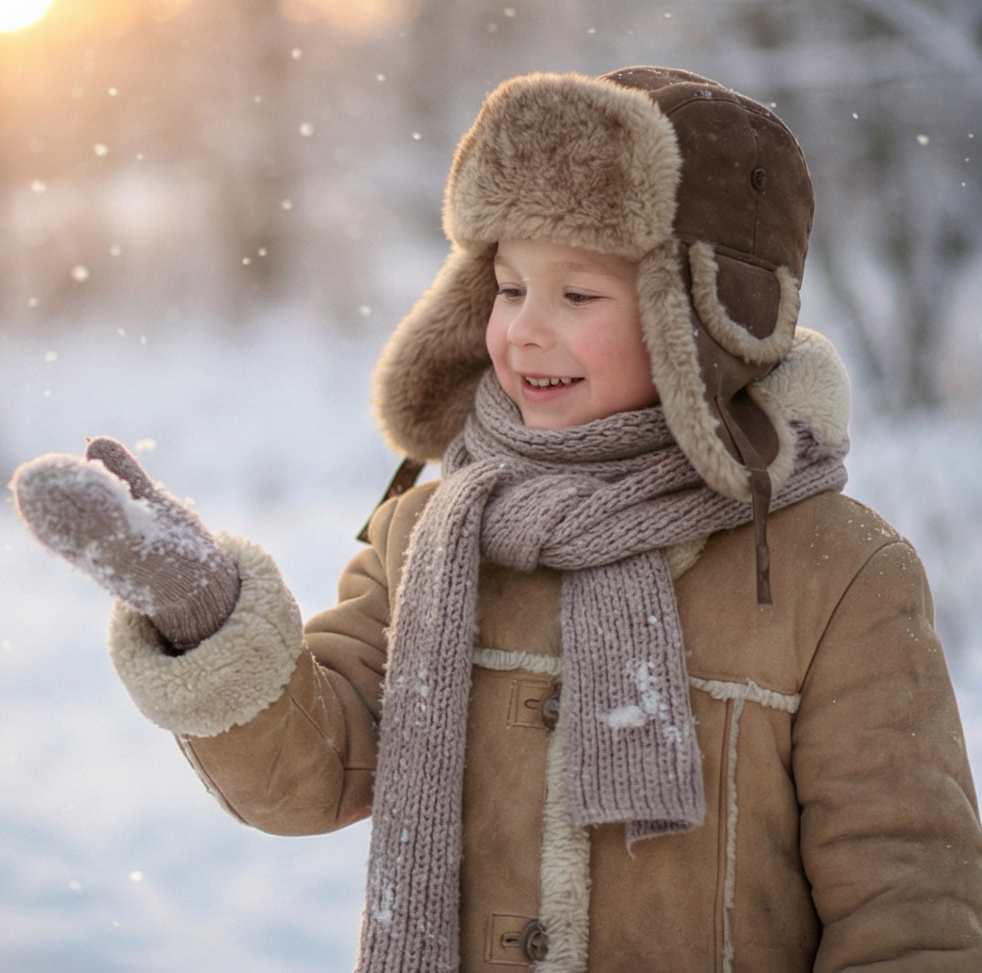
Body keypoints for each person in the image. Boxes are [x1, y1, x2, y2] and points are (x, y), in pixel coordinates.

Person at [11, 67, 982, 973]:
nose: (524, 327)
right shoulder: (428, 533)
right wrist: (206, 614)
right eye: (508, 286)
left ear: (702, 322)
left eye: (578, 293)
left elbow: (908, 896)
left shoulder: (835, 573)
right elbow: (319, 767)